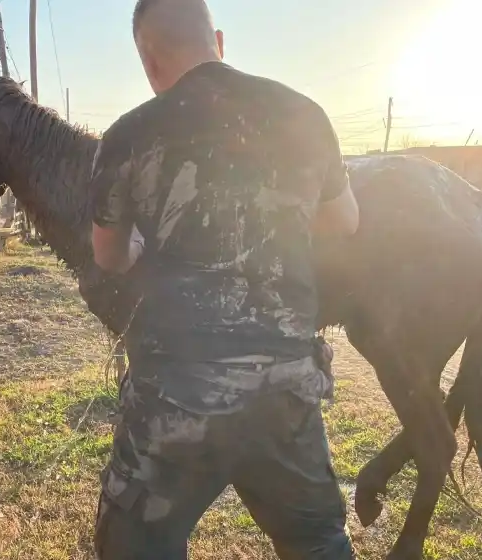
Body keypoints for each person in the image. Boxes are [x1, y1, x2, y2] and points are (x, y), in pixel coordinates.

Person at [89, 0, 360, 558]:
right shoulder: (304, 115)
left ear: (149, 63)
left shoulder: (128, 136)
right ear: (218, 40)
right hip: (284, 391)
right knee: (317, 542)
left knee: (132, 543)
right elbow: (345, 222)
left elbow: (108, 257)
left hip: (176, 400)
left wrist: (140, 244)